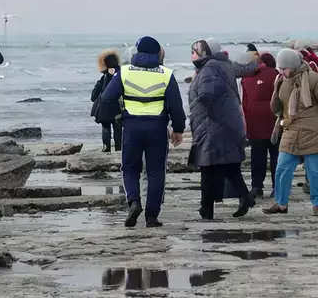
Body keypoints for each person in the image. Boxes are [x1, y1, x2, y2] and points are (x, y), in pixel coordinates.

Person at [97, 36, 186, 227]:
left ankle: (134, 201)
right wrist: (178, 129)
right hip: (157, 128)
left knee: (129, 168)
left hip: (131, 127)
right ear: (157, 54)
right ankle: (152, 216)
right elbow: (176, 106)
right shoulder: (166, 74)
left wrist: (121, 113)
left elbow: (106, 98)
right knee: (155, 171)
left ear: (137, 53)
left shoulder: (125, 72)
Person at [188, 39, 254, 220]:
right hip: (224, 123)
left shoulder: (209, 68)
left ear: (205, 53)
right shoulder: (222, 65)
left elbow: (206, 95)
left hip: (212, 124)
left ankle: (206, 209)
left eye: (194, 52)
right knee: (227, 165)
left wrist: (194, 106)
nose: (192, 55)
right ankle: (245, 196)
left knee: (208, 168)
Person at [264, 49, 318, 216]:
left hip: (313, 130)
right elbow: (276, 109)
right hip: (291, 129)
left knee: (314, 171)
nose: (281, 72)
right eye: (279, 69)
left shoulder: (314, 78)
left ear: (293, 66)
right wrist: (275, 89)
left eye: (284, 68)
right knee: (281, 168)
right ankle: (281, 204)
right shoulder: (282, 81)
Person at [241, 52, 280, 197]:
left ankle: (257, 186)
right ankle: (278, 187)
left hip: (254, 122)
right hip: (274, 122)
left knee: (257, 156)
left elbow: (244, 103)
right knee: (276, 156)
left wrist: (246, 125)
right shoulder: (277, 75)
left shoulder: (247, 77)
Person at [91, 49, 123, 153]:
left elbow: (94, 95)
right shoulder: (122, 74)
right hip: (118, 106)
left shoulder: (104, 77)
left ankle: (106, 147)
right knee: (117, 128)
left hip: (105, 106)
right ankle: (118, 147)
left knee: (106, 127)